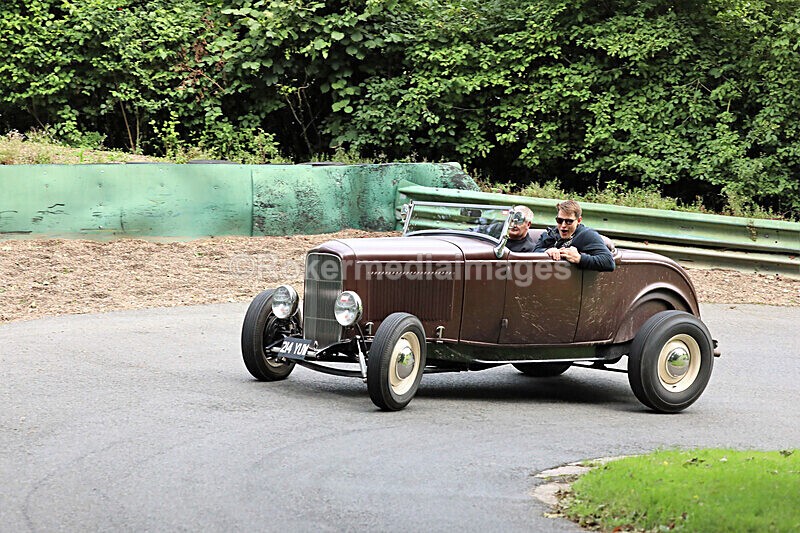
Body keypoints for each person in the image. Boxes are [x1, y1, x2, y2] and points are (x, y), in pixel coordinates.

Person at [533, 200, 615, 272]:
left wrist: (579, 258)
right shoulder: (549, 234)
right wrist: (547, 252)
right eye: (559, 220)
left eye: (569, 221)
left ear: (579, 220)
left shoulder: (587, 235)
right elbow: (532, 253)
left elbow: (609, 262)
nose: (563, 225)